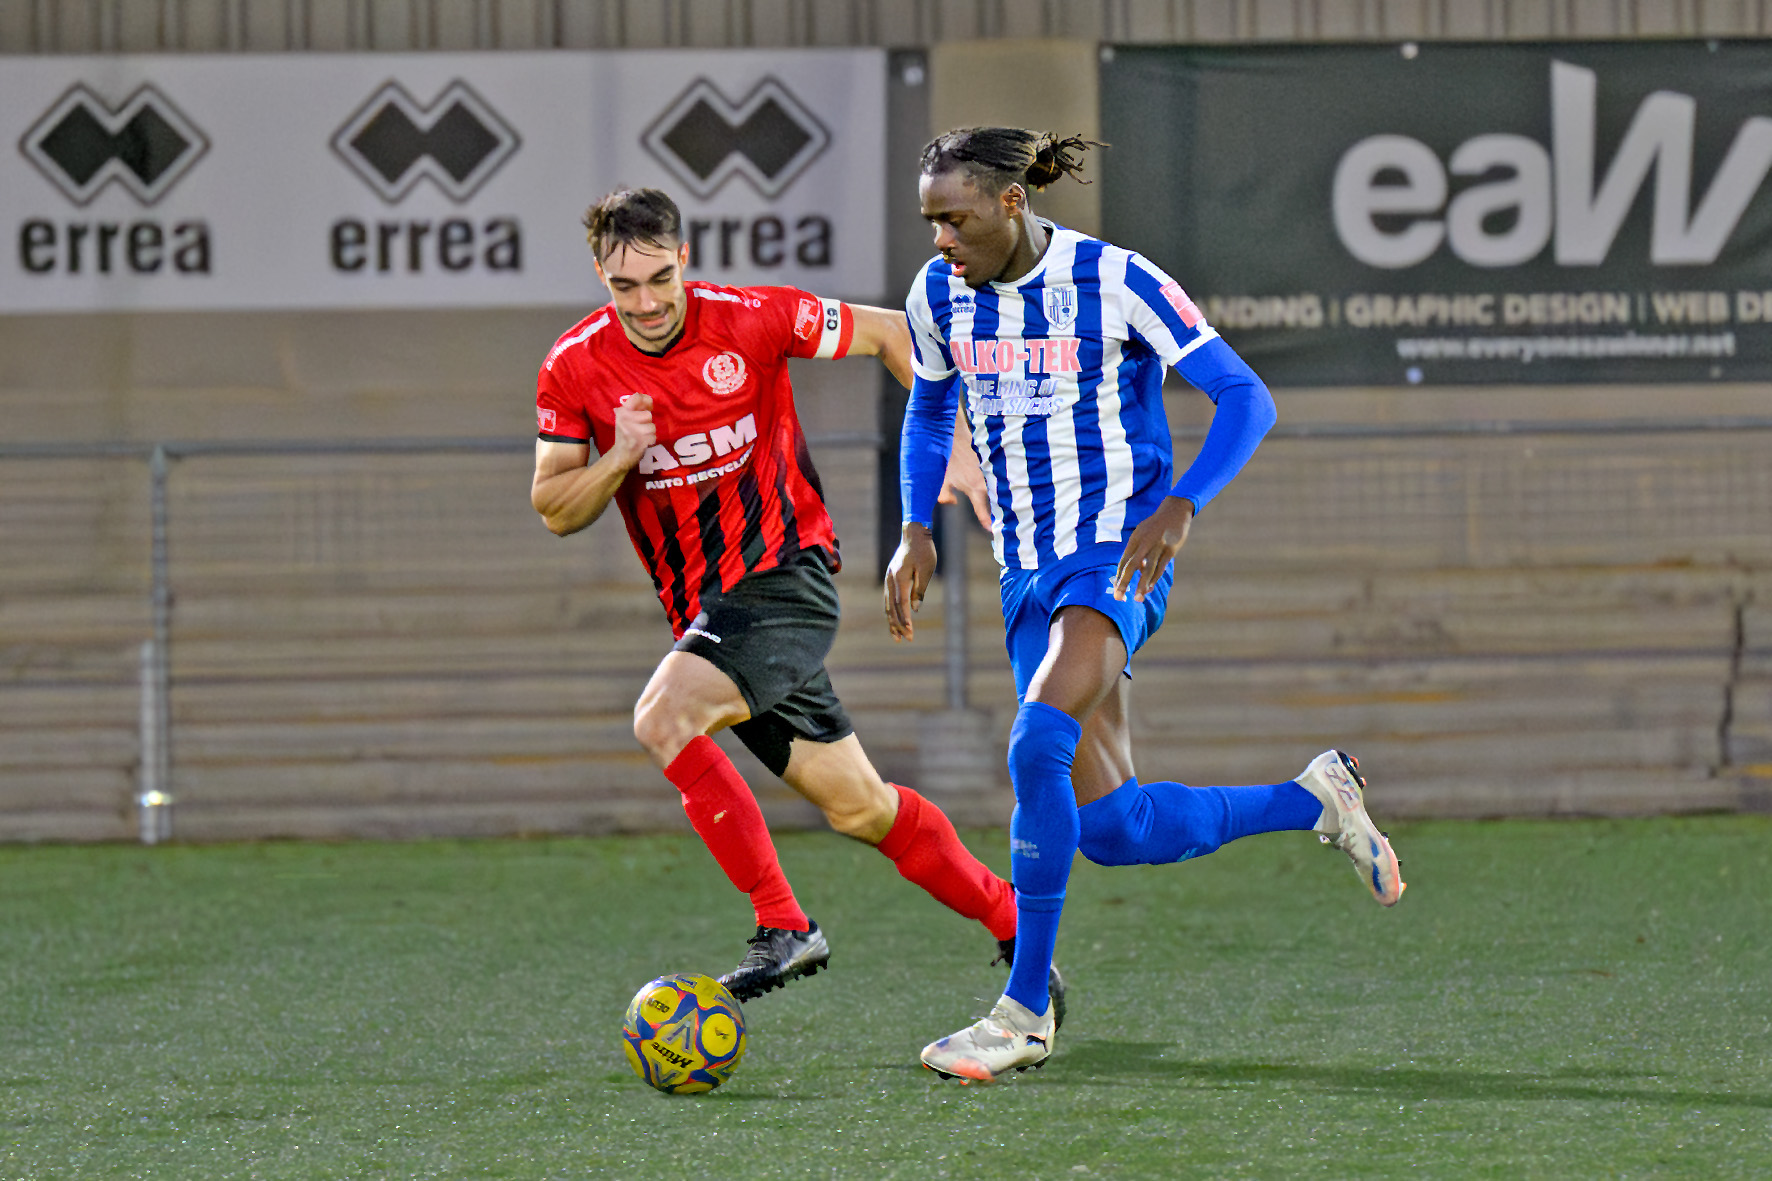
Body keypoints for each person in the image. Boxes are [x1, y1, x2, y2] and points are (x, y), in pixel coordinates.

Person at [885, 129, 1405, 1082]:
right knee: (1115, 828)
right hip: (1024, 568)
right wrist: (917, 525)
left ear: (1010, 201)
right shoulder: (936, 295)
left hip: (1116, 553)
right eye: (930, 221)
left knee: (1035, 743)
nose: (939, 239)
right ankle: (1314, 800)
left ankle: (1023, 1012)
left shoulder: (1117, 278)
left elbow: (1244, 396)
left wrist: (1182, 503)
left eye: (953, 218)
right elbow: (926, 410)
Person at [531, 187, 1059, 1008]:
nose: (646, 302)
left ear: (685, 259)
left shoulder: (754, 317)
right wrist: (619, 457)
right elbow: (555, 507)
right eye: (624, 286)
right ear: (601, 275)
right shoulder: (574, 366)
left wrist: (952, 444)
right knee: (862, 808)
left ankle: (783, 922)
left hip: (787, 576)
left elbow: (892, 332)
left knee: (662, 717)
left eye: (660, 279)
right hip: (712, 617)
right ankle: (1016, 921)